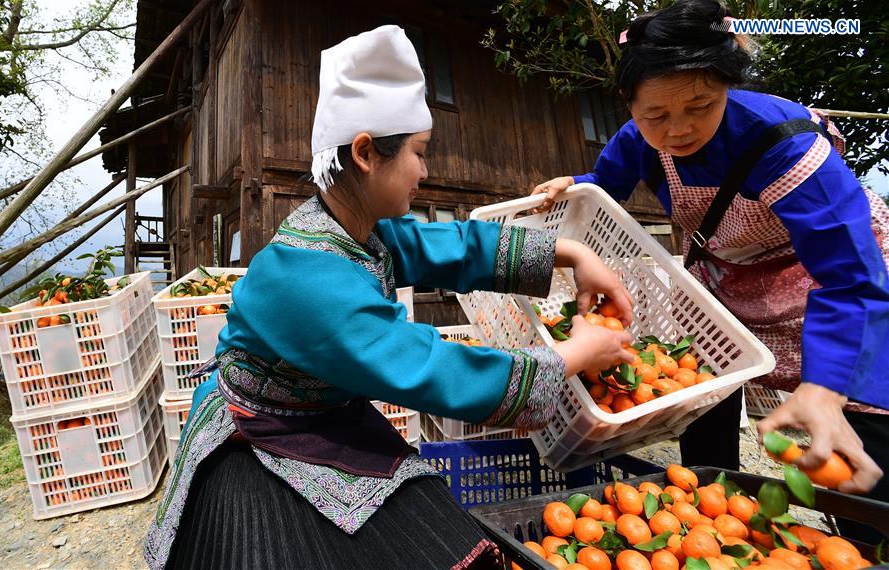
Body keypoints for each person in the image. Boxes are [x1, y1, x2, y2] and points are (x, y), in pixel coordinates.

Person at [145, 25, 636, 569]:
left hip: (327, 414)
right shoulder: (305, 278)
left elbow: (449, 246)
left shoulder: (362, 230)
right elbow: (425, 367)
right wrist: (573, 355)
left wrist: (573, 253)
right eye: (418, 153)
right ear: (365, 153)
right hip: (262, 437)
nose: (424, 171)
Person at [531, 0, 889, 503]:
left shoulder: (787, 144)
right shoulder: (638, 139)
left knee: (859, 413)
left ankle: (866, 521)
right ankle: (712, 500)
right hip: (724, 276)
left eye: (701, 106)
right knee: (706, 384)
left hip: (820, 280)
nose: (677, 129)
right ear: (629, 104)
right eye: (655, 114)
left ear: (727, 87)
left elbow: (852, 276)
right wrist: (574, 183)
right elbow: (605, 185)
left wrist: (826, 387)